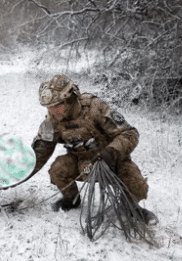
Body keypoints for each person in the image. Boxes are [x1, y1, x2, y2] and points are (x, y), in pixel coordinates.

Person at [30, 74, 158, 225]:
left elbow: (129, 133)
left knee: (136, 182)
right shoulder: (52, 121)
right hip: (82, 164)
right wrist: (15, 177)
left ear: (71, 99)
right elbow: (39, 154)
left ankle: (132, 208)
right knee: (58, 169)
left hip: (111, 161)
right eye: (50, 108)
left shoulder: (95, 108)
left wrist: (111, 152)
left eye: (58, 105)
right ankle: (71, 200)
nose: (53, 112)